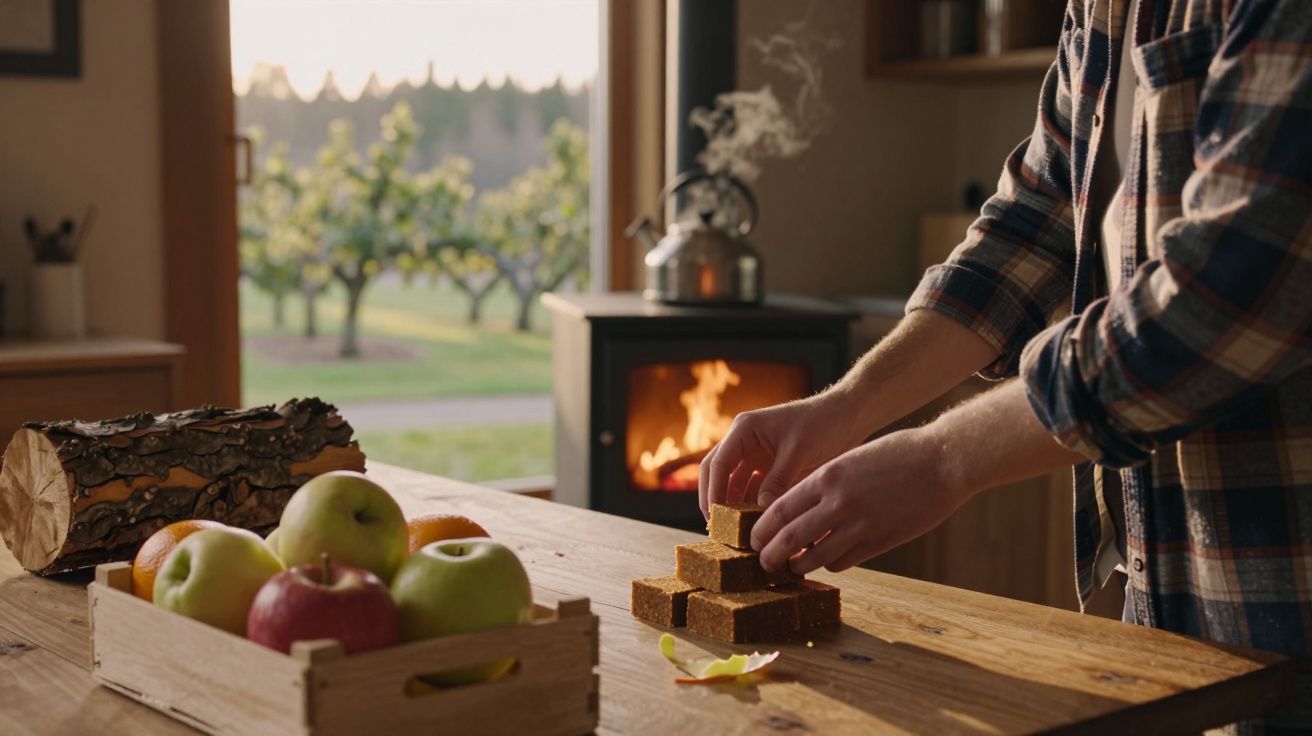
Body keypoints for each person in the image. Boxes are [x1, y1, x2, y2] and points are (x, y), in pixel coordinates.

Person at [699, 0, 1310, 732]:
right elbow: (1035, 219)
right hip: (1175, 603)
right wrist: (844, 408)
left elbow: (1224, 301)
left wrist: (941, 458)